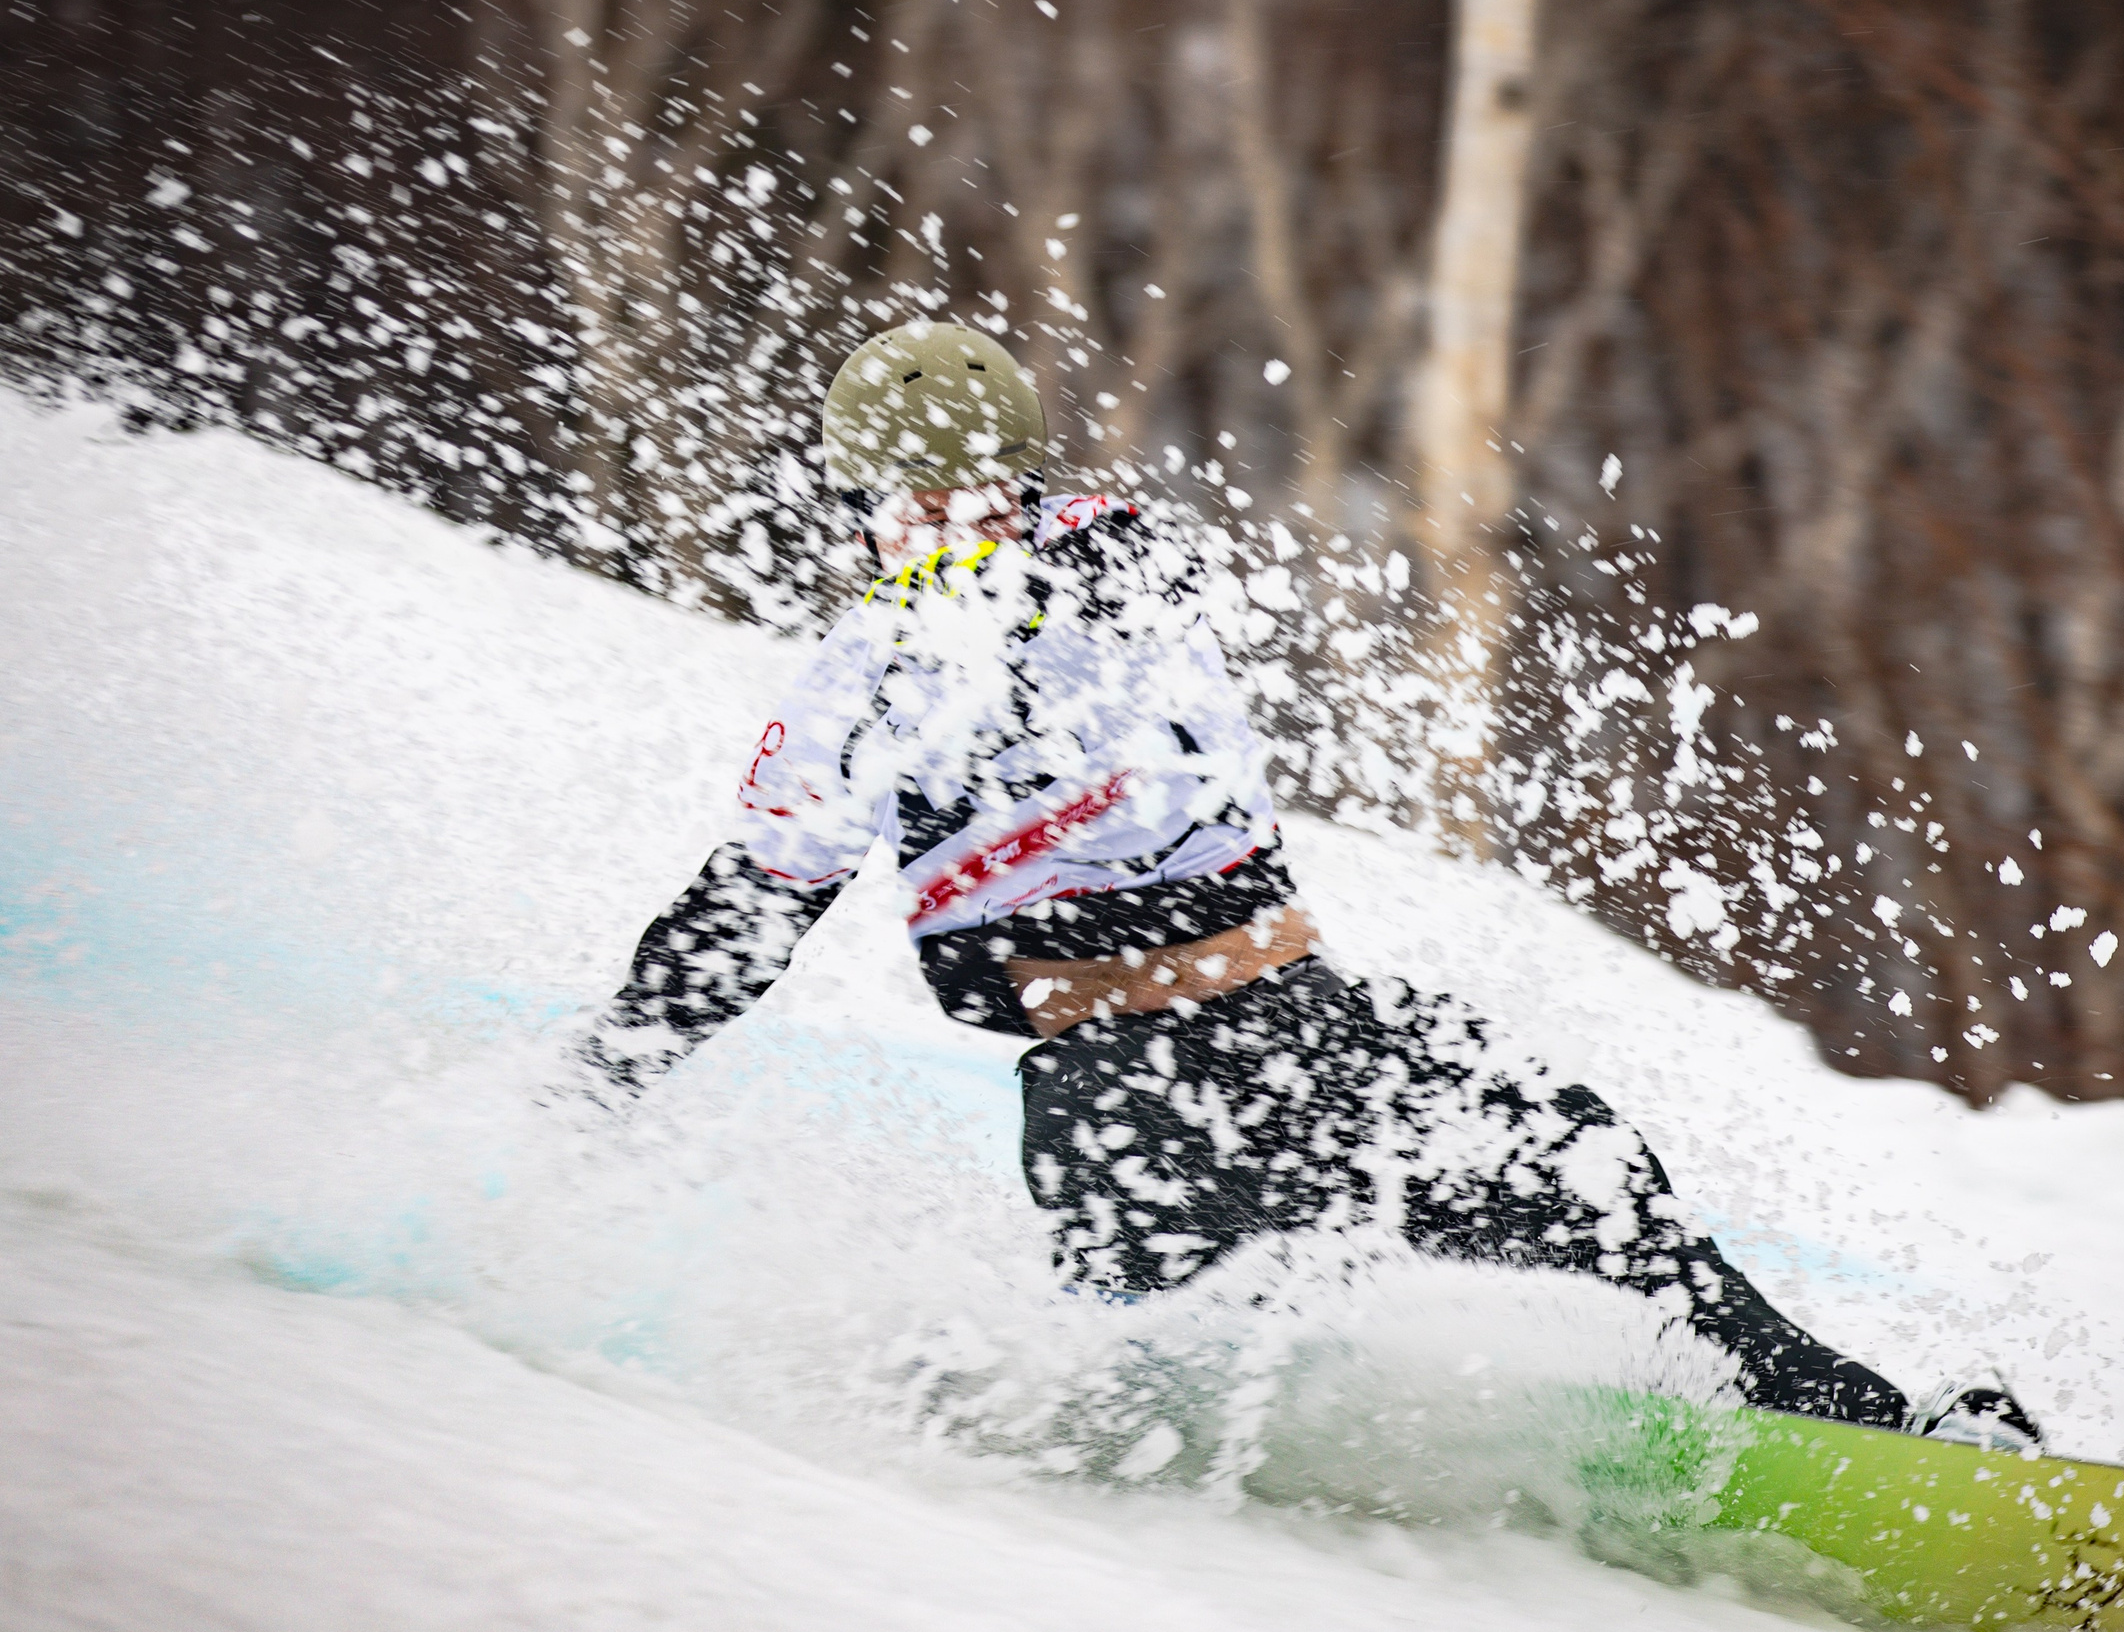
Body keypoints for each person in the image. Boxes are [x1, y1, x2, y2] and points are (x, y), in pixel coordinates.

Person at [557, 318, 2040, 1450]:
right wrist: (598, 1079)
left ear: (1020, 481)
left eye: (963, 494)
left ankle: (1872, 1438)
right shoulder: (866, 681)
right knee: (1160, 1390)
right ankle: (956, 1404)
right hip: (1120, 1093)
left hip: (1314, 1029)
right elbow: (744, 915)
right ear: (862, 506)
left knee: (1601, 1186)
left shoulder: (1114, 570)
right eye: (902, 501)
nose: (933, 524)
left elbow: (1088, 585)